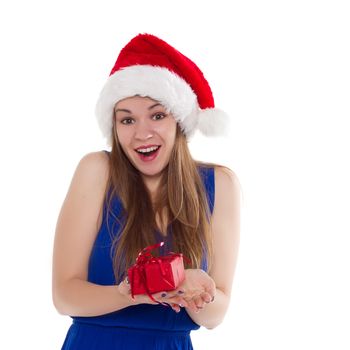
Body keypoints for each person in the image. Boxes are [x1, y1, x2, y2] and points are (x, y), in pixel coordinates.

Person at [52, 33, 241, 350]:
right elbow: (64, 296)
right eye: (127, 120)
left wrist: (197, 290)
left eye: (157, 115)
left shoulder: (221, 184)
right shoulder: (97, 170)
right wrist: (131, 292)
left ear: (179, 122)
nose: (142, 134)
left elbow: (216, 313)